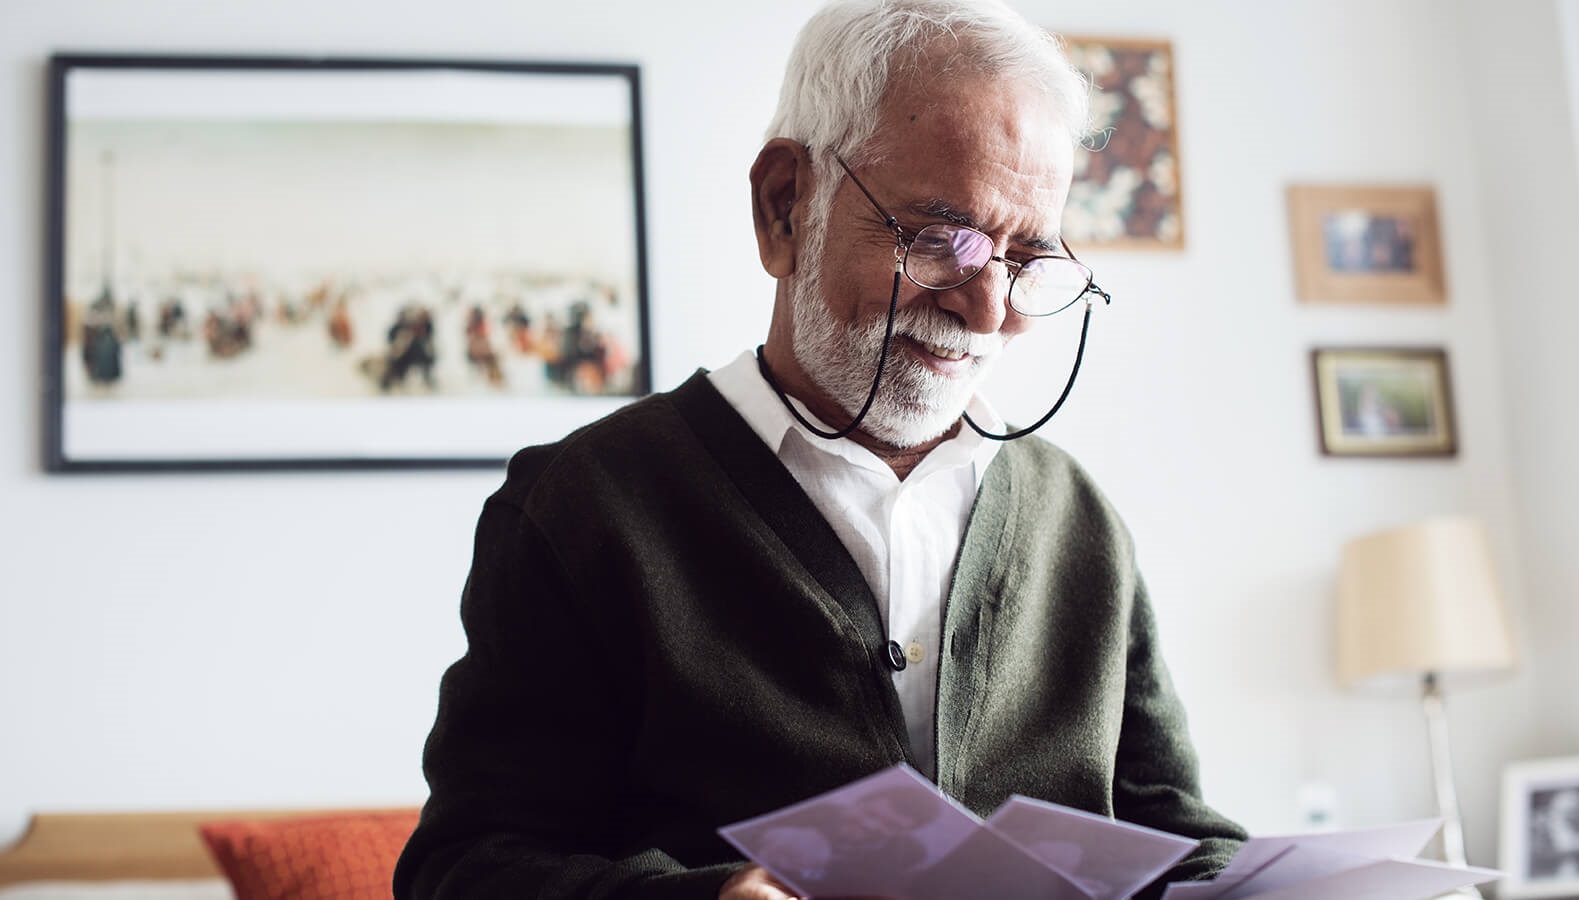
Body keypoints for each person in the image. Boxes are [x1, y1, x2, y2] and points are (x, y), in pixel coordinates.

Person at [393, 1, 1246, 898]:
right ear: (785, 207)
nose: (989, 311)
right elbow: (465, 870)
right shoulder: (584, 506)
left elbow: (1175, 836)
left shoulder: (1077, 520)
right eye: (937, 238)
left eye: (1026, 259)